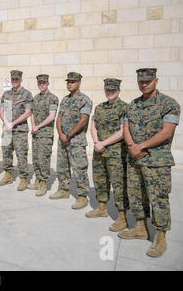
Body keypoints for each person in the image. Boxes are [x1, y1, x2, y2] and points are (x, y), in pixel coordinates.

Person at [119, 68, 180, 258]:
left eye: (148, 81)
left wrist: (141, 146)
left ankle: (161, 236)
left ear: (156, 81)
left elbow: (167, 132)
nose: (144, 84)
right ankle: (140, 227)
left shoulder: (169, 104)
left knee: (159, 198)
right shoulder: (132, 105)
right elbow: (125, 127)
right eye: (141, 81)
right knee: (136, 194)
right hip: (135, 160)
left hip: (156, 162)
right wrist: (131, 146)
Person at [86, 78, 129, 232]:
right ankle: (102, 208)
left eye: (113, 90)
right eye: (107, 90)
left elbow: (123, 131)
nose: (110, 92)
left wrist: (104, 143)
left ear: (118, 90)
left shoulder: (124, 107)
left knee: (119, 185)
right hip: (99, 152)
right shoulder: (100, 108)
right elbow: (93, 126)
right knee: (100, 180)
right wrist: (97, 142)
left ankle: (122, 217)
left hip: (116, 153)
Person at [50, 72, 92, 210]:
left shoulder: (85, 100)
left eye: (73, 82)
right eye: (68, 81)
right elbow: (59, 118)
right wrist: (61, 134)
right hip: (63, 140)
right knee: (62, 167)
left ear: (79, 83)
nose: (70, 84)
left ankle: (82, 196)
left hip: (76, 141)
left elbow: (83, 120)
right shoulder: (65, 100)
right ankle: (63, 190)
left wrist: (68, 135)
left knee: (79, 169)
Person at [0, 70, 33, 190]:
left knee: (21, 154)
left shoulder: (27, 94)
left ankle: (23, 179)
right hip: (7, 129)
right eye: (13, 79)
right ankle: (8, 175)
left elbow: (28, 112)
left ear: (21, 80)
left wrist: (14, 123)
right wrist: (6, 122)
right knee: (6, 153)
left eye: (17, 79)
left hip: (20, 130)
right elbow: (1, 111)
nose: (14, 81)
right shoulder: (6, 94)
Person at [29, 74, 58, 196]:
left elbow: (52, 116)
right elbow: (32, 113)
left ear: (48, 84)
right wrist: (33, 126)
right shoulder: (35, 98)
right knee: (35, 158)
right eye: (40, 83)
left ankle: (43, 183)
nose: (42, 85)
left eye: (44, 83)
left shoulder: (52, 98)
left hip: (45, 134)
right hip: (36, 133)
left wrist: (38, 126)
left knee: (43, 159)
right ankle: (37, 180)